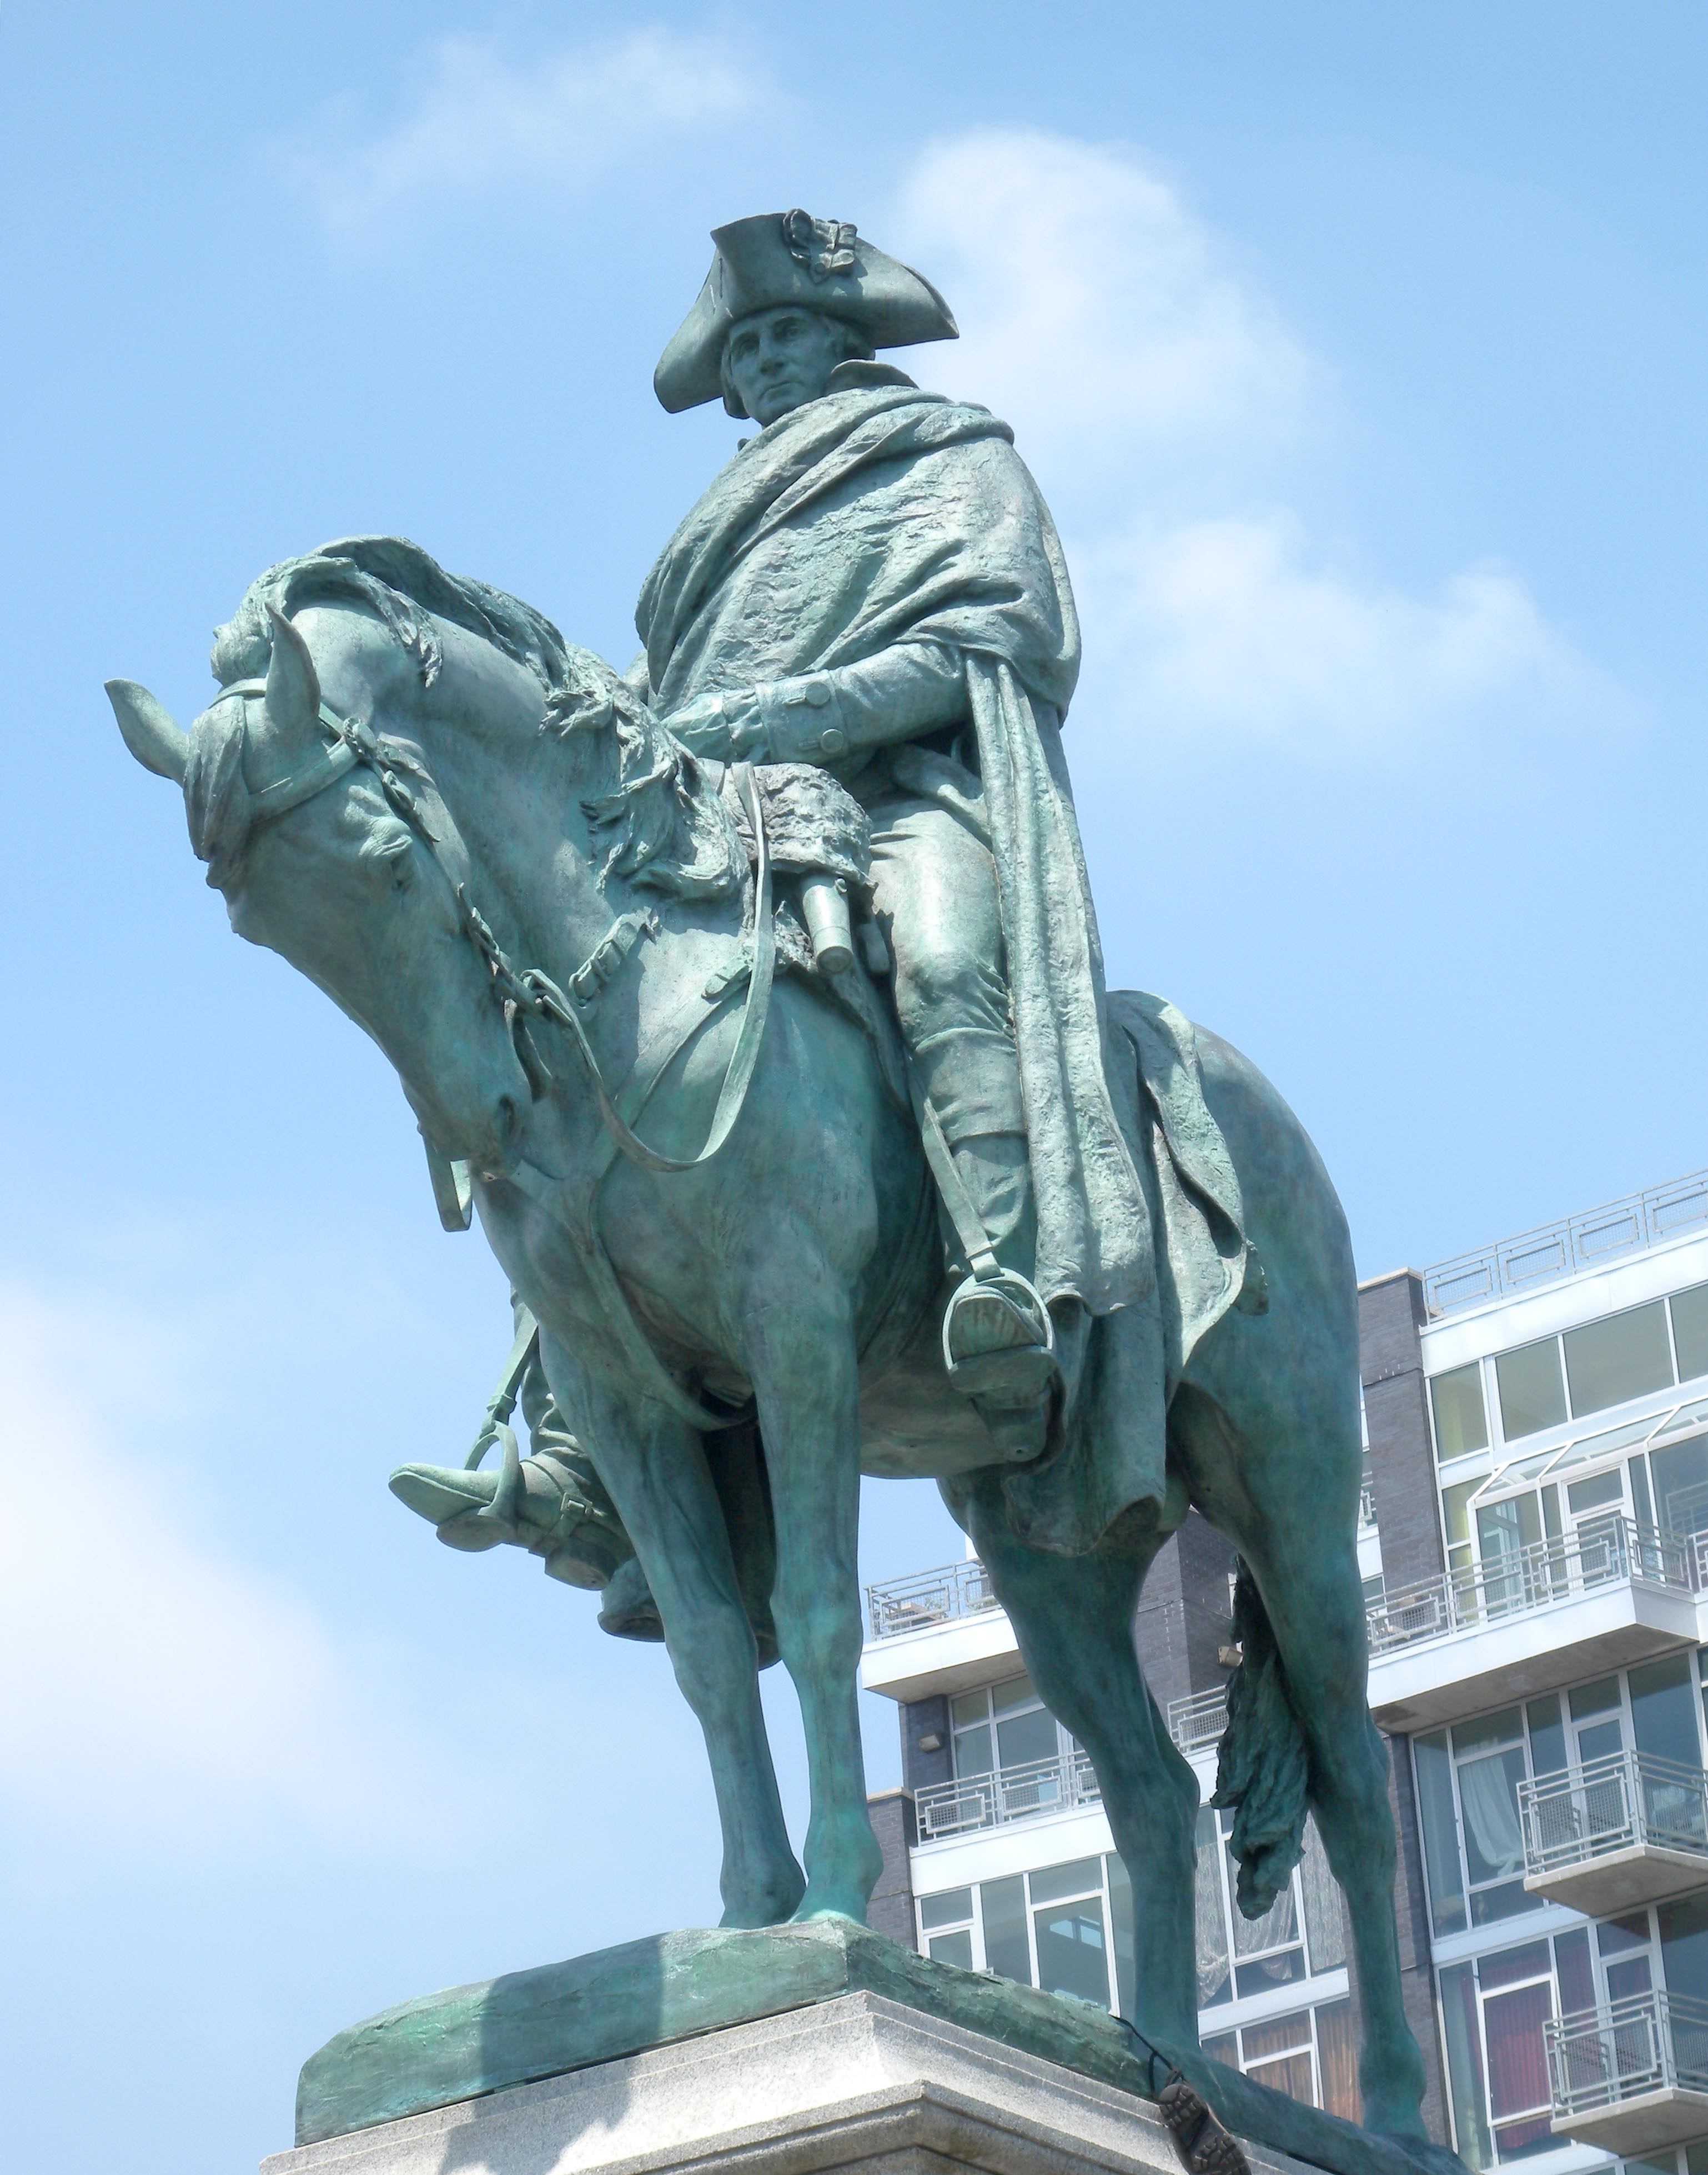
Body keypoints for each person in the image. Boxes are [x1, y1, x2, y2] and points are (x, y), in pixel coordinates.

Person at [641, 209, 1153, 1453]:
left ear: (842, 339)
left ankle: (1004, 1272)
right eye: (741, 344)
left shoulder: (945, 458)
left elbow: (994, 636)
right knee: (581, 1037)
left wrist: (787, 713)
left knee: (937, 960)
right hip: (736, 830)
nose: (760, 359)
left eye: (784, 331)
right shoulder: (711, 530)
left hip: (905, 799)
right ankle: (574, 1427)